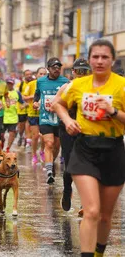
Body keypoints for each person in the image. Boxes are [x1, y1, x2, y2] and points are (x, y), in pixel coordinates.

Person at [53, 39, 125, 257]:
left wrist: (113, 112)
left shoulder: (121, 86)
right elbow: (58, 104)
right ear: (90, 59)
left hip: (113, 149)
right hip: (85, 148)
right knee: (91, 211)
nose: (100, 61)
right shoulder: (77, 85)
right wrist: (67, 120)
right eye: (96, 57)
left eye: (105, 57)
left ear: (112, 60)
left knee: (104, 215)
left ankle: (99, 252)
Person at [52, 58, 91, 212]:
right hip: (67, 129)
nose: (81, 74)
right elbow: (54, 105)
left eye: (85, 71)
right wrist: (66, 117)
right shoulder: (66, 87)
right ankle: (67, 189)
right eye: (78, 71)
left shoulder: (92, 88)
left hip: (86, 130)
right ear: (73, 72)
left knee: (87, 165)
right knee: (69, 165)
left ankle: (85, 201)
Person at [33, 57, 68, 184]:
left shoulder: (65, 82)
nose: (57, 69)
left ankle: (50, 162)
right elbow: (37, 94)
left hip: (60, 119)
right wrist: (35, 102)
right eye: (54, 67)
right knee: (49, 143)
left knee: (57, 146)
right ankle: (48, 172)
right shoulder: (41, 81)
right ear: (48, 69)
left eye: (59, 67)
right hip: (45, 117)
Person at [23, 67, 47, 164]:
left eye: (44, 74)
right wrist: (33, 97)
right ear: (36, 75)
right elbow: (24, 97)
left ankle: (42, 151)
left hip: (45, 113)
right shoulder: (31, 84)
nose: (42, 76)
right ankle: (34, 155)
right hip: (33, 113)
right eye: (40, 74)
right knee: (36, 136)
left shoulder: (47, 84)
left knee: (44, 136)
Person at [2, 77, 24, 152]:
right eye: (8, 83)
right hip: (2, 116)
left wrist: (23, 106)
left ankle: (8, 148)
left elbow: (23, 103)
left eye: (11, 83)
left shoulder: (17, 93)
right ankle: (2, 144)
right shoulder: (2, 92)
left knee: (12, 134)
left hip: (13, 117)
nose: (9, 85)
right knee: (1, 135)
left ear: (13, 84)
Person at [15, 69, 33, 147]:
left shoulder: (33, 84)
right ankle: (20, 136)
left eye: (30, 74)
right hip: (21, 109)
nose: (29, 76)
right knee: (21, 127)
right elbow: (17, 94)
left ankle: (27, 139)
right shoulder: (20, 85)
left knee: (28, 126)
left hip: (30, 109)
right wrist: (24, 102)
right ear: (24, 75)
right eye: (27, 74)